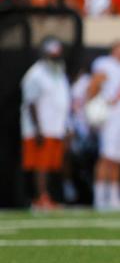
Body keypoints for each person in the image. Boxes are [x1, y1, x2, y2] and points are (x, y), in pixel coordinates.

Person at [20, 37, 71, 210]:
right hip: (41, 127)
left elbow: (62, 101)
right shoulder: (36, 73)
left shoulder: (59, 72)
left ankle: (47, 196)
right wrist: (37, 128)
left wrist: (66, 125)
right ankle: (39, 199)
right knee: (40, 165)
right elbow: (31, 102)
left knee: (50, 165)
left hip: (56, 126)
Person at [89, 42, 120, 211]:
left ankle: (114, 197)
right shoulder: (105, 64)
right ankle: (100, 198)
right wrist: (94, 106)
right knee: (106, 157)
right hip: (111, 117)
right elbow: (94, 85)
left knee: (118, 159)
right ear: (113, 51)